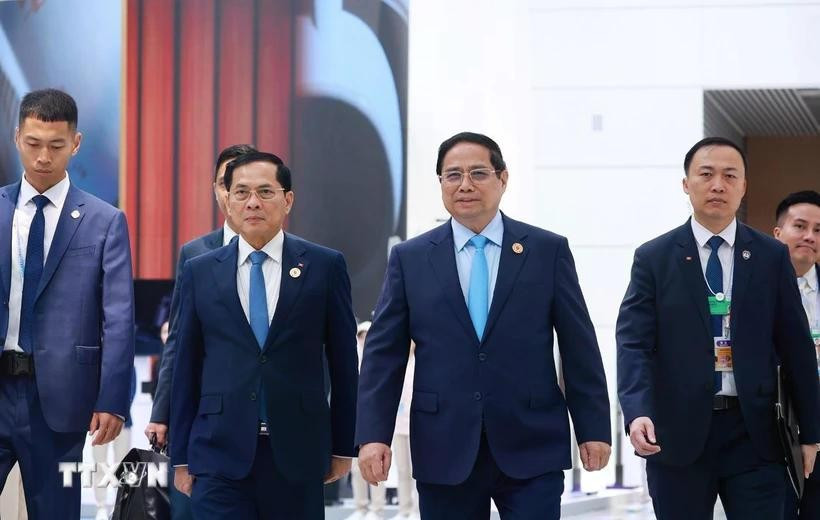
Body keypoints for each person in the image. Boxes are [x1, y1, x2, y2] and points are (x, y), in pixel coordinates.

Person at [356, 132, 611, 519]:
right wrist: (373, 435)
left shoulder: (546, 250)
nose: (465, 185)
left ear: (502, 178)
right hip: (443, 445)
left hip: (532, 442)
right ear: (441, 183)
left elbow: (579, 346)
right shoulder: (410, 258)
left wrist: (593, 428)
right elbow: (383, 355)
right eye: (453, 175)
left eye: (478, 173)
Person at [617, 137, 820, 520]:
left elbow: (796, 347)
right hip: (676, 434)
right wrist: (637, 410)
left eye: (730, 176)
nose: (718, 185)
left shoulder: (770, 256)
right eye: (706, 174)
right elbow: (634, 343)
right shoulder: (654, 258)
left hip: (755, 433)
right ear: (686, 183)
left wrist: (811, 433)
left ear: (744, 187)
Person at [170, 151, 358, 519]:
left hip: (297, 452)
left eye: (265, 192)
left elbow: (344, 365)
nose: (252, 202)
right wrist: (180, 456)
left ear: (288, 200)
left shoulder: (324, 266)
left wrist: (342, 446)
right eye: (241, 192)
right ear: (228, 200)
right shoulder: (200, 271)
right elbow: (185, 365)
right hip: (218, 452)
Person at [0, 88, 134, 519]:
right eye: (33, 143)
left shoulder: (104, 221)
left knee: (56, 512)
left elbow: (118, 318)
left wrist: (113, 398)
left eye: (56, 146)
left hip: (59, 399)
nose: (43, 157)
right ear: (17, 137)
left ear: (75, 143)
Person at [146, 144, 255, 519]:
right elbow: (178, 339)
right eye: (228, 183)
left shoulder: (295, 257)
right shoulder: (195, 254)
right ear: (217, 189)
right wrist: (161, 412)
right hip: (204, 414)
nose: (236, 193)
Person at [774, 190, 820, 519]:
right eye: (800, 226)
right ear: (778, 233)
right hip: (775, 433)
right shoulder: (754, 288)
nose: (809, 236)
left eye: (818, 230)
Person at [346, 321, 387, 520]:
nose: (364, 339)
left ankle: (377, 508)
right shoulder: (353, 359)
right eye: (361, 335)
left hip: (375, 421)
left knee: (377, 465)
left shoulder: (380, 361)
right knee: (356, 468)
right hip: (355, 420)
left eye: (366, 335)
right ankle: (360, 506)